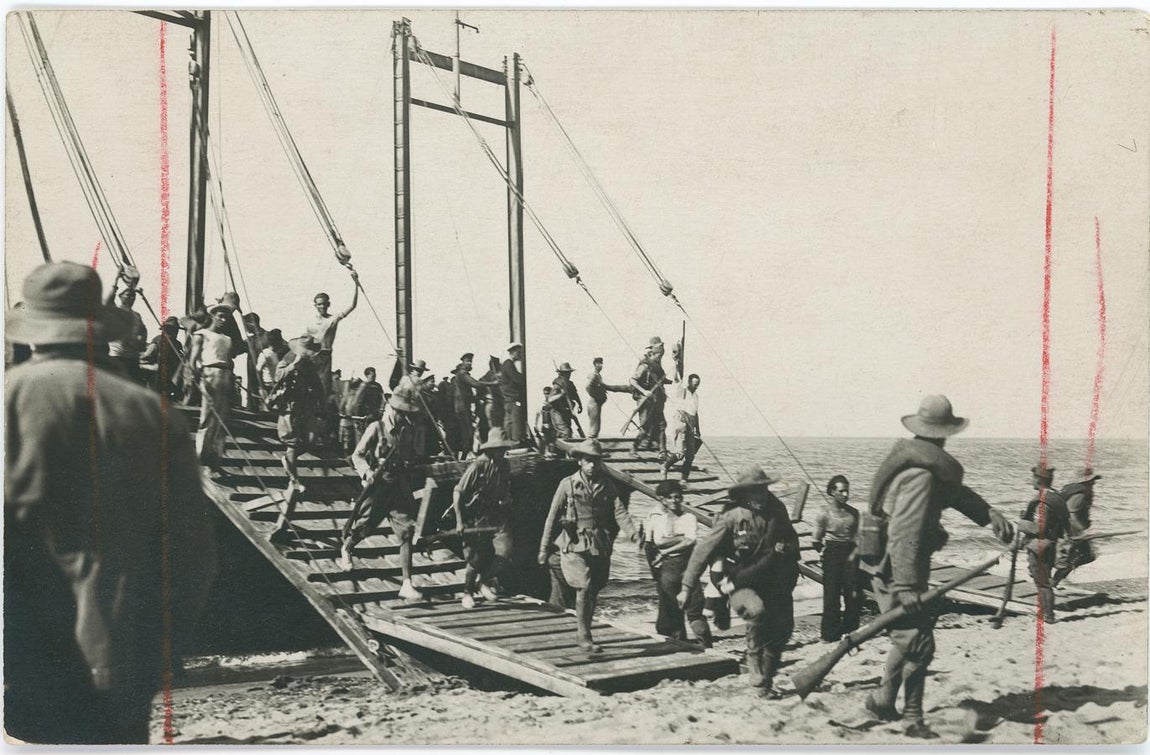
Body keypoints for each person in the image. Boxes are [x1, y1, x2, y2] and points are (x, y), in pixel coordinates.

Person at [5, 262, 217, 744]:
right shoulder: (153, 412)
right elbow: (195, 552)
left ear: (34, 330)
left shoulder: (13, 396)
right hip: (129, 642)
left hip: (33, 646)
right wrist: (160, 641)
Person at [859, 395, 1014, 738]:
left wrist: (987, 513)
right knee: (919, 642)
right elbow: (904, 533)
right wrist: (907, 585)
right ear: (945, 433)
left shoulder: (922, 465)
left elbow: (955, 494)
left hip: (894, 565)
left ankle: (882, 702)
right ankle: (913, 718)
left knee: (908, 637)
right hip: (896, 568)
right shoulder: (922, 475)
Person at [680, 466, 799, 698]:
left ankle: (767, 677)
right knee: (756, 613)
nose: (761, 495)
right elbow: (703, 551)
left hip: (773, 579)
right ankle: (755, 670)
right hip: (738, 579)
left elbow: (791, 538)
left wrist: (786, 550)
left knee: (784, 630)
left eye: (764, 489)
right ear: (745, 493)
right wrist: (686, 586)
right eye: (755, 491)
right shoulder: (730, 516)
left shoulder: (777, 510)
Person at [538, 439, 639, 652]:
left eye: (595, 461)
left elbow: (619, 511)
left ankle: (582, 630)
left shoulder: (607, 485)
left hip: (599, 543)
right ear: (580, 462)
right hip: (573, 543)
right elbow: (551, 516)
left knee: (595, 588)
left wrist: (632, 532)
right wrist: (543, 548)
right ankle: (585, 637)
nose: (592, 465)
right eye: (588, 461)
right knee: (584, 586)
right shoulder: (567, 484)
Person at [342, 413, 422, 601]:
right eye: (399, 411)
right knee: (365, 527)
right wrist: (366, 471)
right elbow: (357, 455)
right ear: (390, 408)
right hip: (378, 488)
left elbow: (412, 457)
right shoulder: (376, 428)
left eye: (405, 412)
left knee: (407, 532)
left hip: (398, 489)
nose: (402, 415)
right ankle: (347, 548)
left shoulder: (407, 431)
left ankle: (406, 583)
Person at [268, 336, 325, 543]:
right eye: (308, 350)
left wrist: (321, 400)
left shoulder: (309, 364)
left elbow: (317, 384)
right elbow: (278, 377)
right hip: (289, 406)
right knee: (292, 443)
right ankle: (294, 478)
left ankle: (289, 462)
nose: (310, 353)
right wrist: (293, 365)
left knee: (310, 439)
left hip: (305, 406)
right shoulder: (289, 357)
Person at [450, 428, 516, 608]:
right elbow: (458, 492)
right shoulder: (477, 466)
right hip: (476, 516)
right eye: (499, 449)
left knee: (505, 553)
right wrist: (459, 521)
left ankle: (483, 580)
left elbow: (504, 488)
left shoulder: (504, 465)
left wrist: (506, 499)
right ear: (491, 449)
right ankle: (467, 592)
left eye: (504, 449)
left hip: (496, 515)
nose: (503, 452)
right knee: (475, 558)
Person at [645, 480, 711, 646]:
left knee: (695, 610)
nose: (675, 500)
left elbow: (691, 541)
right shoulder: (658, 520)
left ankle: (706, 645)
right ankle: (680, 645)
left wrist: (668, 546)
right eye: (670, 497)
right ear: (664, 500)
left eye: (678, 497)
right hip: (668, 568)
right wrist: (681, 538)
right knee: (672, 611)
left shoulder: (689, 517)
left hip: (687, 566)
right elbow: (658, 541)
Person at [812, 475, 862, 642]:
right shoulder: (824, 513)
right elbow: (816, 540)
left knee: (853, 594)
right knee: (831, 596)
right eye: (841, 491)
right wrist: (823, 553)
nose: (845, 494)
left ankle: (850, 630)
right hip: (832, 552)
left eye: (847, 491)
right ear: (832, 492)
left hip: (850, 552)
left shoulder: (854, 513)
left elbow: (857, 537)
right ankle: (829, 634)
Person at [1018, 465, 1070, 624]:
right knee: (1042, 579)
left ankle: (1049, 615)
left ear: (1039, 480)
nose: (1031, 480)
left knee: (1042, 581)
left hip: (1039, 546)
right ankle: (1046, 612)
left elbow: (1040, 527)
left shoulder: (1043, 501)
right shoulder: (1056, 498)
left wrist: (1021, 524)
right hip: (1051, 544)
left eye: (1033, 478)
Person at [187, 302, 236, 467]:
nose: (223, 319)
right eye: (220, 316)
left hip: (225, 375)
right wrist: (193, 375)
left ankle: (216, 456)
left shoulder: (228, 339)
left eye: (226, 317)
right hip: (209, 374)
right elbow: (193, 359)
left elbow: (229, 360)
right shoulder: (202, 334)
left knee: (222, 418)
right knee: (208, 415)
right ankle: (201, 455)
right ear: (212, 316)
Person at [305, 272, 360, 400]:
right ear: (315, 305)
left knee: (324, 389)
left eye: (324, 303)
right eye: (319, 304)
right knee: (309, 386)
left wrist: (356, 284)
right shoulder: (310, 322)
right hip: (311, 356)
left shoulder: (333, 319)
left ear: (328, 304)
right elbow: (305, 341)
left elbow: (352, 306)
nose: (322, 306)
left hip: (325, 356)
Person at [1054, 467, 1101, 586]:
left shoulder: (1079, 493)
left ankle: (1055, 580)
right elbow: (1072, 517)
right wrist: (1082, 533)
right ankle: (1054, 581)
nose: (1093, 483)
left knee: (1082, 557)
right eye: (1091, 481)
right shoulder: (1079, 496)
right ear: (1084, 482)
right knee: (1083, 556)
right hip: (1071, 532)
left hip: (1070, 531)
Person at [106, 268, 148, 384]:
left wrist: (141, 342)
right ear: (120, 296)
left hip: (132, 357)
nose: (131, 298)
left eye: (133, 296)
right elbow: (108, 300)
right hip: (117, 356)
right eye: (128, 295)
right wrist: (116, 279)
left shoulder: (136, 316)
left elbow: (143, 331)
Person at [629, 337, 671, 453]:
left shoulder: (658, 367)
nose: (660, 358)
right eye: (659, 355)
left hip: (657, 401)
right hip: (646, 401)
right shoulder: (645, 366)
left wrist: (670, 381)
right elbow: (633, 380)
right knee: (645, 428)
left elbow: (661, 380)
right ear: (653, 353)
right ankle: (634, 447)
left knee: (662, 425)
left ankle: (663, 451)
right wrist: (644, 391)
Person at [663, 373, 702, 481]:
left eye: (698, 384)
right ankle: (665, 466)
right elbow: (676, 379)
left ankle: (684, 480)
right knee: (680, 454)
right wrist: (676, 363)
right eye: (694, 384)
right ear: (689, 382)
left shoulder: (696, 396)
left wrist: (698, 429)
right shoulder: (682, 392)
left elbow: (695, 413)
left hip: (691, 424)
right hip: (681, 423)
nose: (696, 386)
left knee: (690, 455)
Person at [139, 315, 184, 399]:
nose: (175, 332)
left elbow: (148, 354)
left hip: (158, 374)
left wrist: (139, 360)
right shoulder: (177, 343)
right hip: (170, 376)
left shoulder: (159, 339)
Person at [584, 357, 630, 439]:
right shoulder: (594, 375)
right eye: (598, 363)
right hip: (594, 403)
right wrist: (597, 395)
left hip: (596, 403)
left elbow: (606, 387)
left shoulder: (598, 376)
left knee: (596, 426)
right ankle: (590, 444)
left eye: (601, 364)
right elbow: (587, 387)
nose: (600, 365)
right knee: (594, 427)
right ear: (594, 365)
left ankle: (592, 444)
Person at [548, 362, 583, 440]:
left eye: (569, 373)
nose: (569, 375)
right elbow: (550, 399)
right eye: (566, 373)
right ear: (561, 373)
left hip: (566, 410)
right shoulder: (557, 384)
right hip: (557, 411)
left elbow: (575, 395)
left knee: (568, 432)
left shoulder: (570, 384)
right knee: (565, 431)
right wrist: (561, 394)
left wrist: (580, 405)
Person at [500, 342, 528, 444]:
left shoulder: (506, 364)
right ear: (513, 352)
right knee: (516, 423)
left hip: (508, 400)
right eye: (518, 352)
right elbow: (518, 380)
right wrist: (524, 377)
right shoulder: (508, 364)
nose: (520, 354)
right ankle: (515, 444)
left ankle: (508, 444)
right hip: (513, 399)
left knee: (509, 423)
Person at [256, 329, 290, 398]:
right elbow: (258, 370)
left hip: (275, 385)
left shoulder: (275, 354)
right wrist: (261, 388)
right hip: (267, 386)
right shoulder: (265, 354)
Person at [479, 355, 503, 443]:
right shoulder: (496, 378)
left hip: (486, 405)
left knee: (489, 426)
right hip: (495, 405)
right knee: (495, 426)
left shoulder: (484, 377)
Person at [339, 377, 366, 455]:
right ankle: (347, 454)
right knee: (347, 440)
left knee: (356, 440)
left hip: (357, 420)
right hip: (348, 420)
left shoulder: (359, 396)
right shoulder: (348, 396)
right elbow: (342, 408)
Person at [533, 386, 558, 457]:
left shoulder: (554, 404)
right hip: (544, 425)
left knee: (552, 441)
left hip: (553, 425)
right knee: (545, 441)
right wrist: (535, 425)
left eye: (548, 393)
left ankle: (551, 453)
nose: (546, 395)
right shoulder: (541, 404)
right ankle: (545, 454)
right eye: (545, 393)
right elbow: (537, 415)